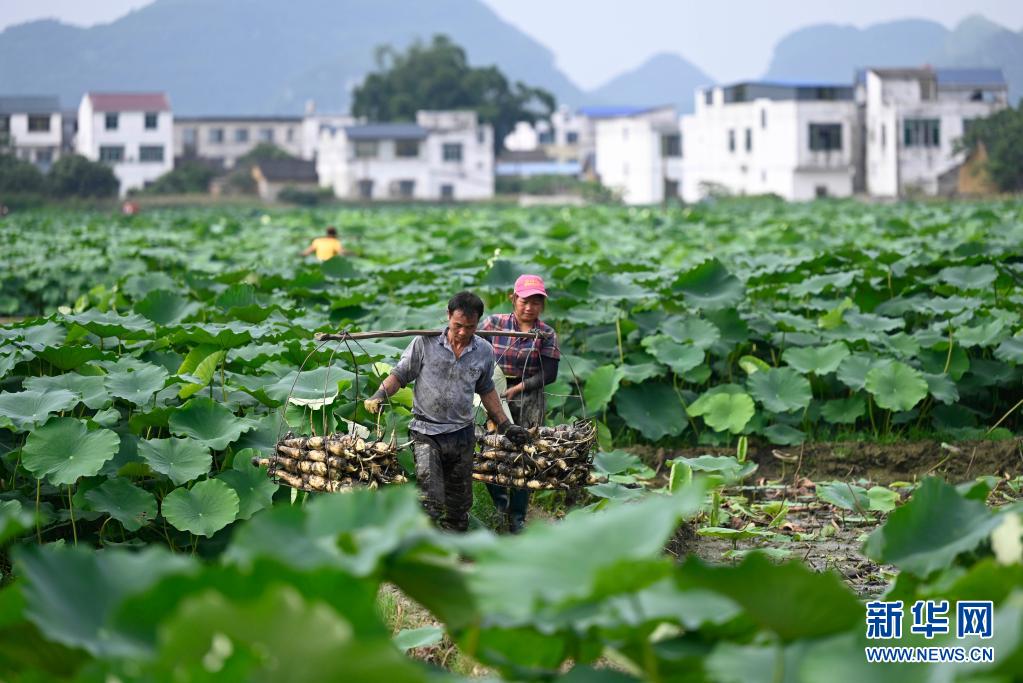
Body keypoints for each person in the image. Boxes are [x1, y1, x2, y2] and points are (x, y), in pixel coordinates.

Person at [364, 291, 530, 532]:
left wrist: (505, 425)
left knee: (459, 506)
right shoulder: (424, 343)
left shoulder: (483, 350)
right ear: (448, 316)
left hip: (461, 434)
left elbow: (487, 390)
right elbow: (399, 375)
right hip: (426, 432)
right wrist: (379, 395)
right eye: (458, 325)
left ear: (478, 323)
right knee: (430, 500)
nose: (463, 332)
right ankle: (426, 550)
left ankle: (454, 552)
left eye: (470, 327)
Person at [480, 274, 560, 533]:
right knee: (489, 445)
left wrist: (519, 387)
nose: (529, 307)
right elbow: (475, 353)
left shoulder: (546, 333)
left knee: (525, 451)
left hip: (528, 394)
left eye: (536, 302)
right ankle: (499, 499)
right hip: (492, 390)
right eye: (525, 301)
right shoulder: (494, 324)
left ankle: (518, 515)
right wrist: (494, 389)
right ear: (513, 299)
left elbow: (550, 373)